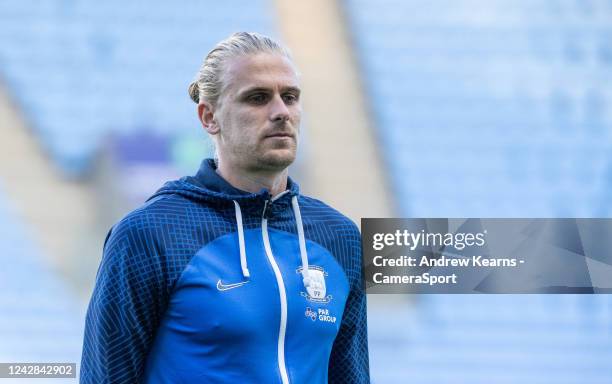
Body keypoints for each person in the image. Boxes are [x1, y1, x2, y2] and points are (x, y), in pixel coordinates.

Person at [80, 31, 369, 383]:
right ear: (209, 117)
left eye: (290, 97)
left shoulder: (340, 237)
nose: (281, 112)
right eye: (258, 98)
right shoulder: (150, 235)